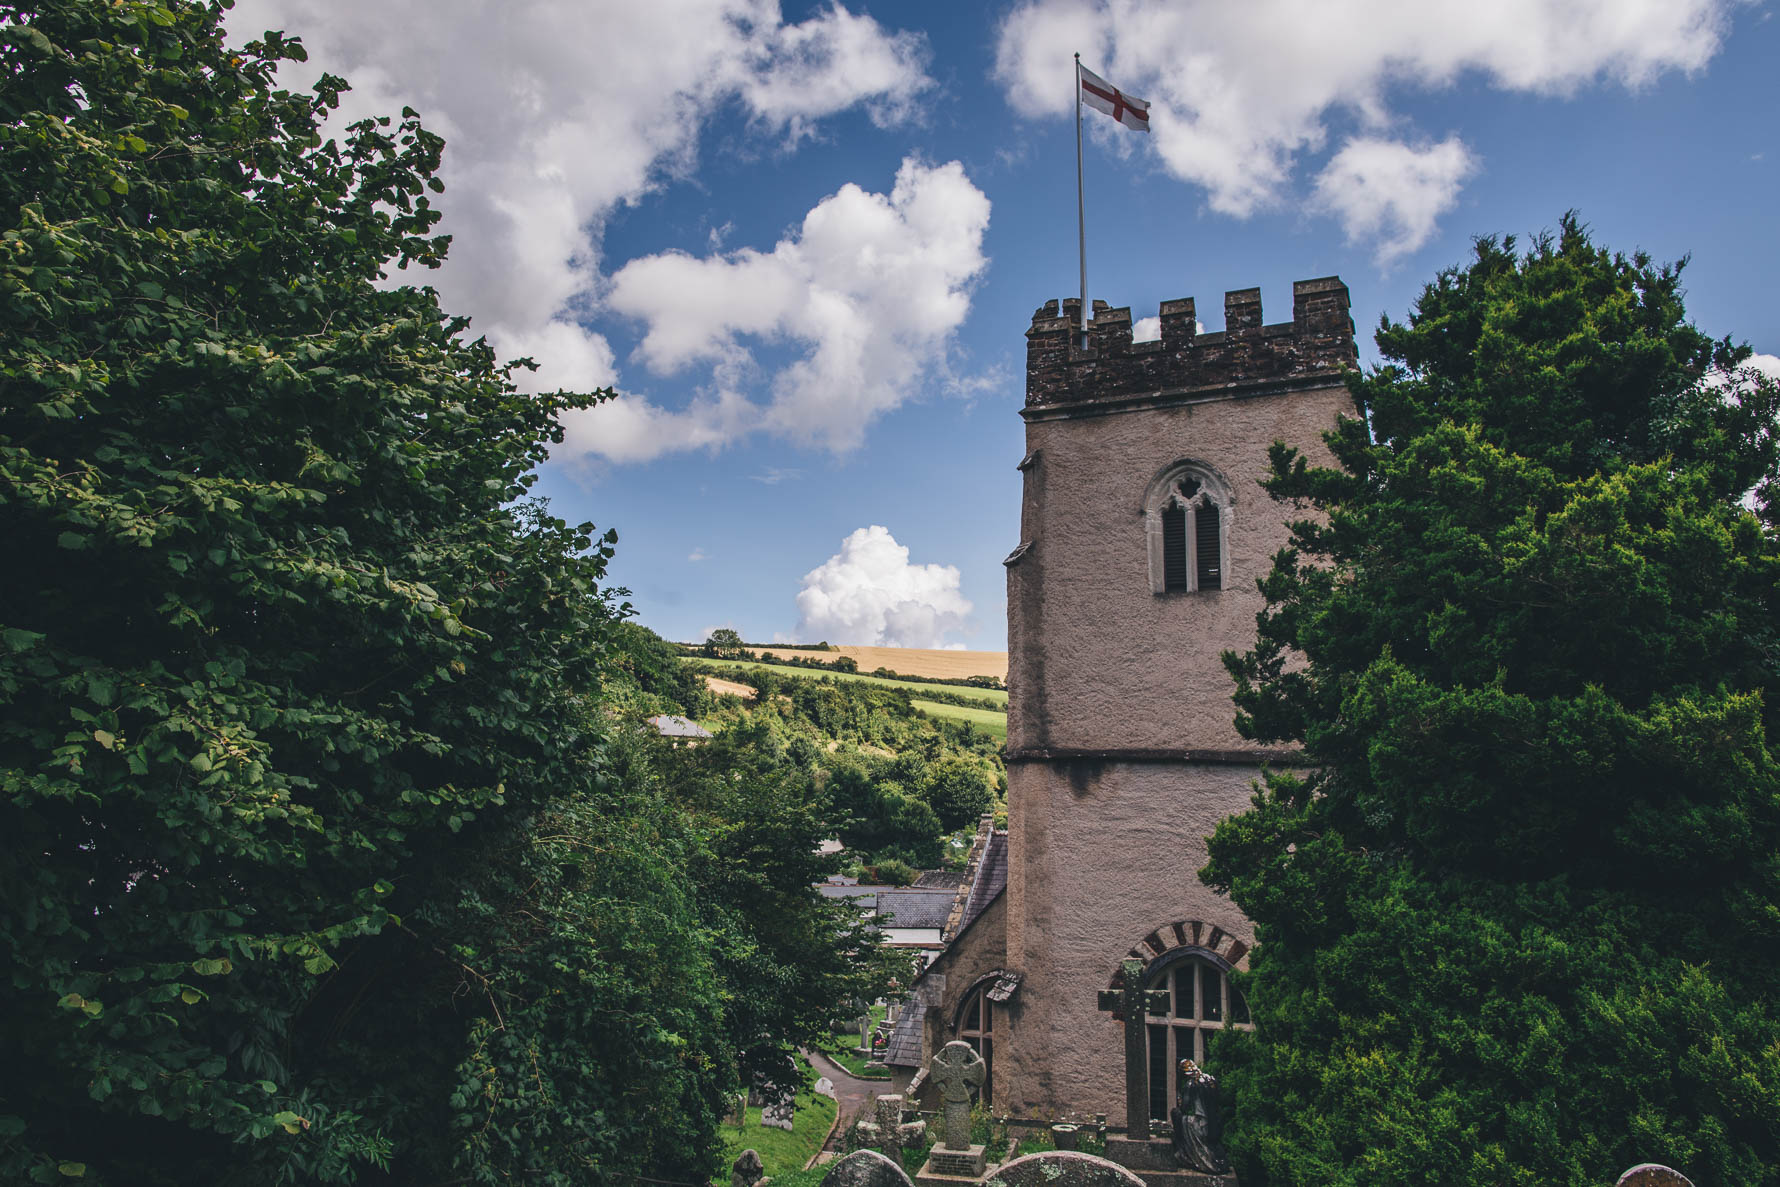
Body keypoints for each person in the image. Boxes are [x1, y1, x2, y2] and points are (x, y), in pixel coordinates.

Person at [1170, 1058, 1231, 1173]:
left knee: (1177, 1115)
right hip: (1213, 1124)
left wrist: (1180, 1098)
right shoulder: (1210, 1079)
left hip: (1200, 1125)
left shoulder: (1191, 1084)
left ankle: (1185, 1154)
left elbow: (1184, 1107)